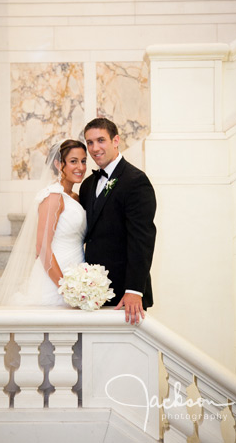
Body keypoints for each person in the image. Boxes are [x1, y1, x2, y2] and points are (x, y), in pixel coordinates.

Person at [0, 140, 88, 306]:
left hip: (76, 270)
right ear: (57, 164)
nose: (80, 167)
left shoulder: (74, 197)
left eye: (83, 161)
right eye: (73, 161)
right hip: (55, 278)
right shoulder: (53, 197)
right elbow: (42, 247)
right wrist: (66, 288)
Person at [79, 117, 157, 325]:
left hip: (125, 295)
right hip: (92, 292)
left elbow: (142, 239)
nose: (95, 148)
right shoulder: (87, 185)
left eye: (101, 140)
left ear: (116, 141)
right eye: (90, 142)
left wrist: (133, 290)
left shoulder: (136, 181)